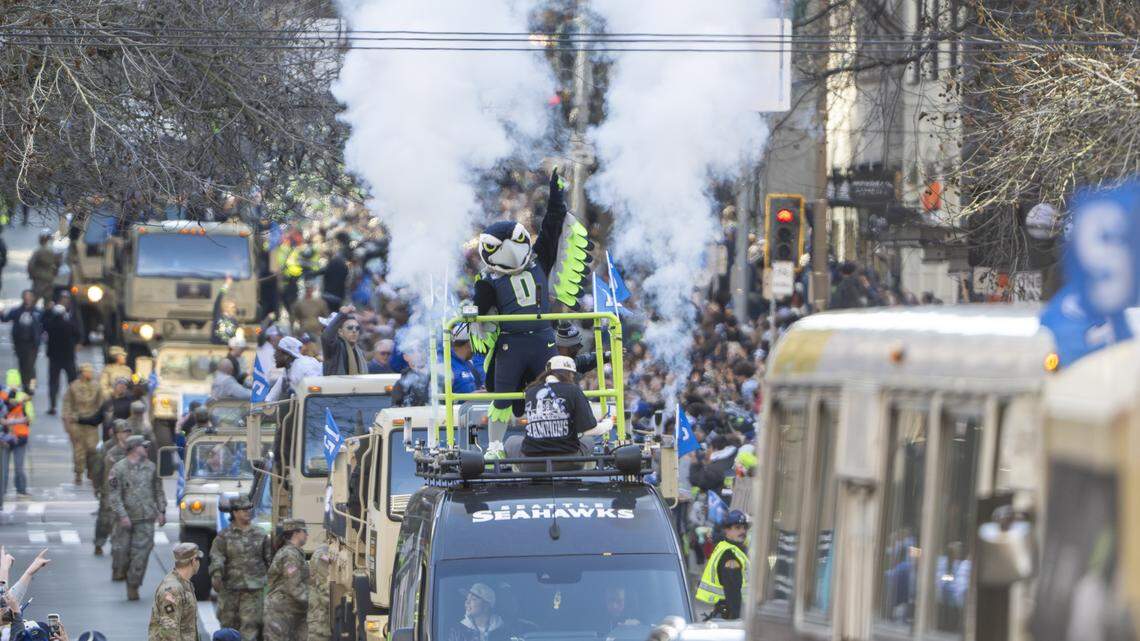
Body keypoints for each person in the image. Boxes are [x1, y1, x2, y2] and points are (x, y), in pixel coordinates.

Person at [473, 170, 575, 451]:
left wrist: (557, 194)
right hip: (511, 342)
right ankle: (495, 445)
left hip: (543, 337)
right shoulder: (489, 280)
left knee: (557, 386)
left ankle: (560, 436)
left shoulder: (539, 259)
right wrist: (473, 309)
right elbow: (481, 309)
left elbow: (552, 225)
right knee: (503, 396)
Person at [503, 356, 611, 468]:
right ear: (569, 374)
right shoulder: (573, 390)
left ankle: (520, 474)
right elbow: (589, 430)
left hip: (532, 463)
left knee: (511, 440)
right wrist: (608, 424)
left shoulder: (531, 391)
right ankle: (585, 473)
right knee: (588, 440)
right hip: (569, 461)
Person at [106, 435, 167, 600]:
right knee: (122, 553)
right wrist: (123, 515)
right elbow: (114, 496)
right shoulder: (118, 469)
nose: (147, 449)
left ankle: (133, 585)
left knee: (141, 554)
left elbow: (158, 491)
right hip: (124, 521)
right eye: (143, 446)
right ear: (134, 448)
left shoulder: (152, 468)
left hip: (146, 519)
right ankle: (121, 571)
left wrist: (161, 511)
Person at [210, 496, 272, 641]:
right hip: (230, 588)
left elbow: (269, 559)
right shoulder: (224, 536)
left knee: (250, 626)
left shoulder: (260, 534)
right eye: (243, 510)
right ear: (235, 512)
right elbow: (217, 557)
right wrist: (216, 575)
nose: (247, 512)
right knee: (228, 626)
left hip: (253, 588)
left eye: (249, 509)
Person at [695, 509, 750, 620]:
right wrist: (736, 619)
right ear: (726, 530)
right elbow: (733, 592)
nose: (743, 531)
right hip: (730, 615)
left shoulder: (724, 546)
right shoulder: (730, 555)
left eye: (744, 527)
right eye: (737, 528)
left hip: (723, 612)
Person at [263, 518, 309, 641]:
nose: (307, 535)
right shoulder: (290, 555)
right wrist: (313, 603)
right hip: (280, 615)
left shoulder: (294, 553)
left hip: (288, 613)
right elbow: (294, 587)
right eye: (305, 531)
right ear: (296, 533)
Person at [148, 542, 202, 641]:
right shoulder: (173, 589)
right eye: (199, 559)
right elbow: (169, 632)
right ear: (194, 561)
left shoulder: (184, 584)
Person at [94, 420, 132, 558]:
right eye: (123, 432)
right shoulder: (106, 447)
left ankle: (118, 545)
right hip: (108, 489)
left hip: (126, 490)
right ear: (116, 433)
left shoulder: (131, 447)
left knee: (122, 519)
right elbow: (98, 468)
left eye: (128, 431)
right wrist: (97, 486)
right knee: (105, 518)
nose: (126, 434)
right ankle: (99, 542)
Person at [61, 363, 103, 485]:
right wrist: (66, 419)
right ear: (82, 373)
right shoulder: (74, 387)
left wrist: (100, 417)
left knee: (92, 449)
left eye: (91, 371)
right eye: (87, 371)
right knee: (79, 449)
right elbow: (67, 403)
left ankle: (91, 470)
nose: (89, 373)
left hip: (91, 421)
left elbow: (101, 403)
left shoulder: (97, 386)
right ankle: (78, 473)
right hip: (77, 421)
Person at [43, 291, 82, 414]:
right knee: (72, 382)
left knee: (54, 382)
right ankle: (75, 406)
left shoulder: (50, 325)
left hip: (54, 358)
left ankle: (53, 406)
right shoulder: (69, 325)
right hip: (68, 357)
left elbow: (43, 323)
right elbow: (78, 333)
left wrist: (48, 311)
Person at [4, 290, 43, 394]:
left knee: (30, 366)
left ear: (33, 298)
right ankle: (25, 385)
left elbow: (45, 324)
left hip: (32, 344)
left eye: (29, 296)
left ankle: (32, 386)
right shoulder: (17, 311)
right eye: (25, 296)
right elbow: (6, 318)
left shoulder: (38, 312)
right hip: (20, 343)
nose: (27, 299)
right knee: (22, 365)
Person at [0, 375, 33, 497]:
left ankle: (20, 489)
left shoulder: (23, 396)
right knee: (4, 468)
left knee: (17, 467)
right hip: (6, 436)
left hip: (19, 435)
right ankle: (3, 491)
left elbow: (30, 417)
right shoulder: (2, 396)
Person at [263, 337, 322, 404]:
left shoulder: (304, 367)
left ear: (287, 355)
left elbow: (315, 393)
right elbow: (275, 391)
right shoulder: (289, 367)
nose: (274, 355)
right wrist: (266, 405)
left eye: (277, 352)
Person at [689, 432, 737, 503]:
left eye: (709, 448)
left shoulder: (715, 467)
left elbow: (698, 481)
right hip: (730, 502)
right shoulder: (732, 460)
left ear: (715, 449)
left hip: (718, 505)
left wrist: (695, 464)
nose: (707, 451)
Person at [321, 306, 367, 376]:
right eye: (350, 328)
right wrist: (341, 314)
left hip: (357, 386)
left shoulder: (359, 351)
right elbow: (326, 337)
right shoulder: (335, 347)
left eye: (357, 328)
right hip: (336, 386)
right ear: (340, 332)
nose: (354, 331)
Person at [306, 534, 334, 641]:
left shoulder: (321, 551)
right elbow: (325, 589)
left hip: (317, 615)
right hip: (319, 619)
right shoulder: (322, 555)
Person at [446, 324, 484, 394]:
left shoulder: (469, 365)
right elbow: (442, 399)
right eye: (476, 341)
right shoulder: (446, 364)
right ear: (470, 343)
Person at [27, 230, 59, 307]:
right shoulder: (55, 250)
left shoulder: (39, 251)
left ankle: (30, 315)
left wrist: (31, 275)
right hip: (50, 279)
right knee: (48, 301)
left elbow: (31, 265)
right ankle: (47, 317)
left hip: (39, 279)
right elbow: (58, 265)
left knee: (33, 299)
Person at [212, 275, 240, 345]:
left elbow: (246, 332)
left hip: (228, 349)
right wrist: (226, 285)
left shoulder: (234, 321)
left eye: (235, 307)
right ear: (226, 308)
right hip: (216, 348)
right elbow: (219, 298)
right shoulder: (218, 316)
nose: (235, 309)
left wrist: (259, 330)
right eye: (233, 307)